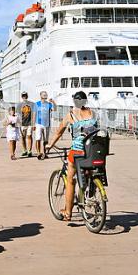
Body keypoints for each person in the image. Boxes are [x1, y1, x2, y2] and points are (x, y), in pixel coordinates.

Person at [46, 91, 98, 221]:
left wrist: (50, 145)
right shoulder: (93, 113)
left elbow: (58, 132)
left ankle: (68, 212)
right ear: (85, 101)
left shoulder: (70, 115)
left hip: (78, 152)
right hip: (94, 151)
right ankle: (90, 191)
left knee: (70, 180)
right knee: (90, 170)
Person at [34, 91, 56, 159]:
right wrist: (33, 124)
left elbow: (55, 109)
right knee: (38, 138)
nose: (45, 95)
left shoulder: (49, 104)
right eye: (44, 94)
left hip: (46, 124)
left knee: (46, 140)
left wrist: (53, 102)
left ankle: (45, 153)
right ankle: (38, 153)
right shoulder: (37, 104)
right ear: (40, 95)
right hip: (38, 123)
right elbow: (34, 114)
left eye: (46, 94)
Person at [17, 92, 35, 157]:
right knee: (23, 137)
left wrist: (33, 124)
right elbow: (18, 114)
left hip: (30, 123)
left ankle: (29, 151)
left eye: (25, 96)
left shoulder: (31, 104)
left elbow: (34, 114)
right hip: (22, 123)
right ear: (22, 97)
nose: (24, 97)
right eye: (23, 96)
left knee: (29, 136)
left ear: (27, 96)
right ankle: (24, 150)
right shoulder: (19, 105)